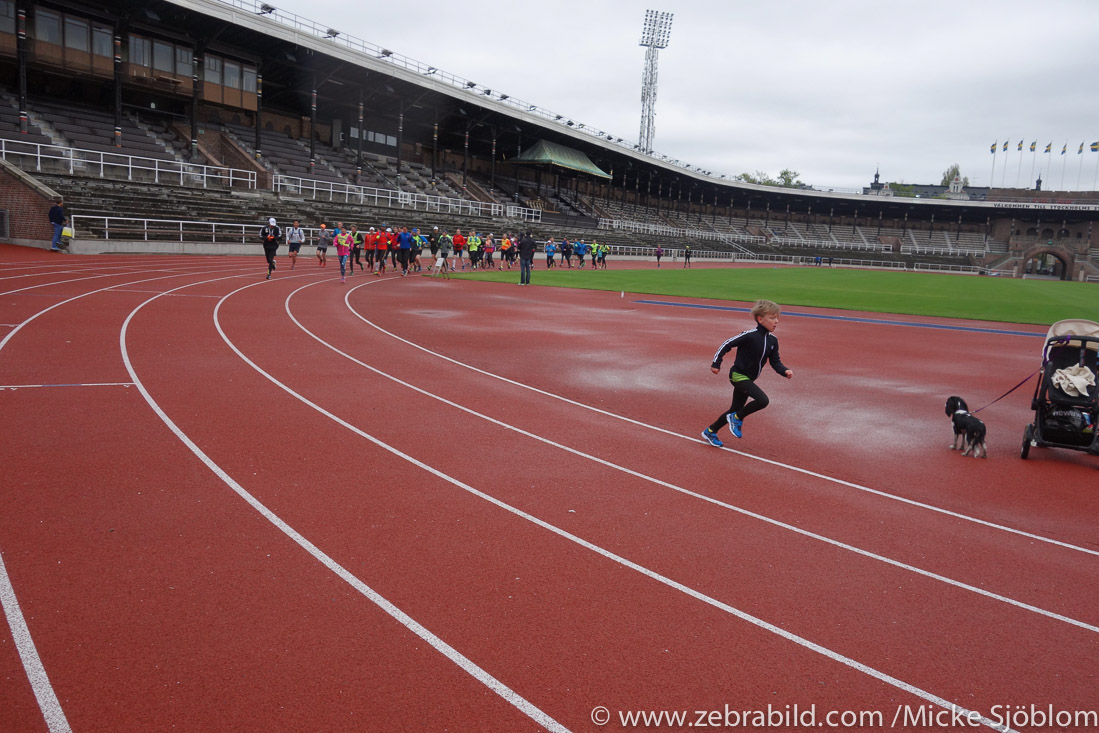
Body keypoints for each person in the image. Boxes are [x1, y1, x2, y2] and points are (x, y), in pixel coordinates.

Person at [701, 299, 793, 446]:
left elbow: (775, 362)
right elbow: (727, 344)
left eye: (777, 318)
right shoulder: (750, 335)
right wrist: (716, 363)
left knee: (735, 409)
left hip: (749, 379)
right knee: (763, 401)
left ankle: (710, 431)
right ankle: (737, 418)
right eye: (772, 318)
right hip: (738, 376)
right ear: (760, 319)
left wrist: (784, 371)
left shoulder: (773, 341)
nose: (776, 321)